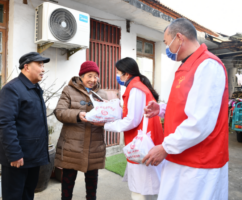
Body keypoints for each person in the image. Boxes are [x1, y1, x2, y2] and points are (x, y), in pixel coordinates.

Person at [142, 18, 229, 200]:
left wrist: (165, 147)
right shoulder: (187, 66)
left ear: (180, 38)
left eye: (167, 43)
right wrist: (162, 109)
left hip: (199, 162)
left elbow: (200, 122)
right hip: (181, 155)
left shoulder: (207, 65)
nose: (167, 49)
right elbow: (187, 105)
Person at [101, 57, 164, 200]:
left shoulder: (135, 88)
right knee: (146, 186)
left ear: (127, 74)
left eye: (118, 73)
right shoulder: (139, 86)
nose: (117, 76)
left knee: (141, 189)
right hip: (146, 139)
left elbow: (132, 120)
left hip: (142, 143)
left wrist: (106, 125)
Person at [0, 52, 50, 200]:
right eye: (39, 65)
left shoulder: (34, 88)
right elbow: (5, 123)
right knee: (14, 196)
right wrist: (14, 153)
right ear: (26, 67)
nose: (43, 69)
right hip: (17, 159)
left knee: (28, 194)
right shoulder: (12, 89)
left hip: (32, 157)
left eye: (43, 65)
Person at [54, 61, 107, 200]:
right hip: (72, 146)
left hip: (94, 146)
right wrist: (77, 115)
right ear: (81, 76)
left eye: (96, 76)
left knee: (92, 186)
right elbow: (59, 112)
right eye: (89, 76)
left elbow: (107, 115)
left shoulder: (101, 94)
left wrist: (107, 117)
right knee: (67, 184)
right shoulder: (69, 90)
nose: (93, 80)